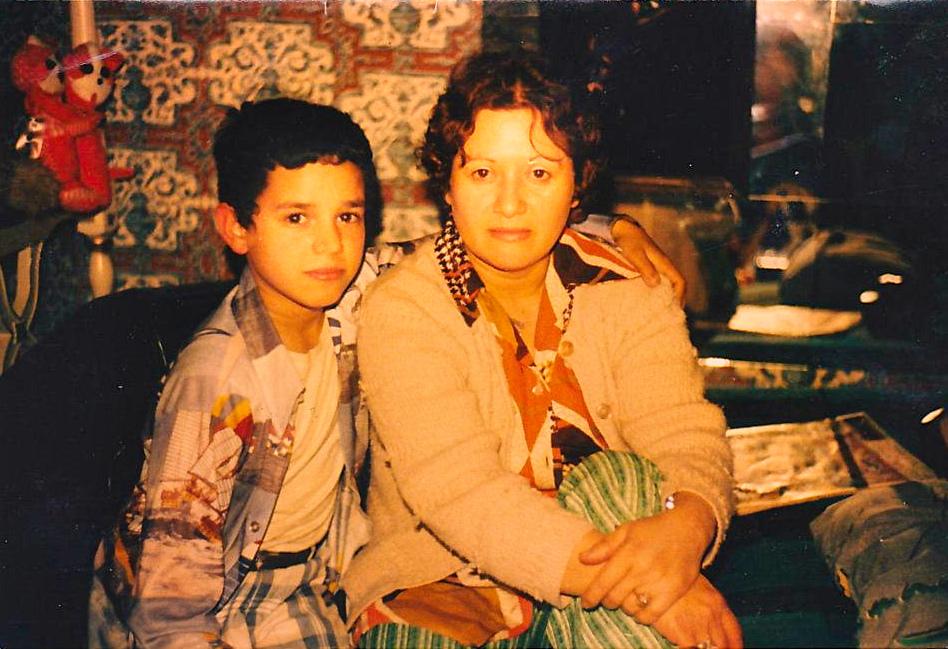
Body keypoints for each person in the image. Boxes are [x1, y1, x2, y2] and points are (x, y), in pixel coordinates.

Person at [87, 97, 684, 648]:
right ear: (236, 228)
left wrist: (615, 229)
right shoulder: (216, 383)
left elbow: (487, 239)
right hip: (205, 606)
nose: (329, 245)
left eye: (347, 216)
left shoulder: (352, 295)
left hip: (308, 584)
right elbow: (168, 604)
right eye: (296, 218)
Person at [345, 51, 742, 649]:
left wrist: (687, 528)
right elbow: (458, 489)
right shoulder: (404, 308)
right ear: (447, 186)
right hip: (448, 584)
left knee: (615, 476)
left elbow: (682, 431)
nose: (510, 204)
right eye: (483, 172)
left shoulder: (630, 286)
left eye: (539, 173)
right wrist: (647, 590)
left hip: (617, 542)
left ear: (577, 185)